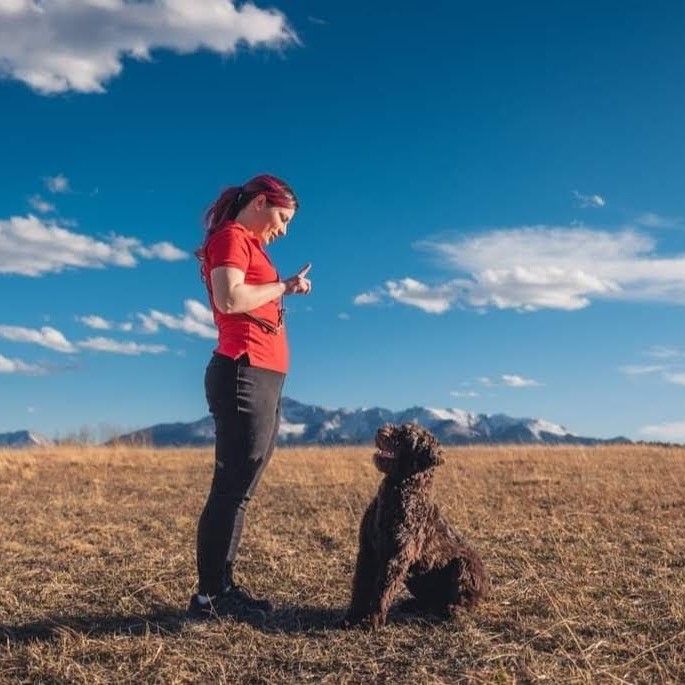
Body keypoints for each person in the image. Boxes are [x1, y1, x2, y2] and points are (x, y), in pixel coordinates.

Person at [188, 174, 312, 620]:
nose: (283, 230)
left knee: (241, 489)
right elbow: (230, 298)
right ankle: (209, 598)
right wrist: (282, 287)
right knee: (231, 489)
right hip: (243, 372)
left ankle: (221, 590)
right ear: (261, 202)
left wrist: (287, 286)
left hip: (263, 376)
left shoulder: (252, 246)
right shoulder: (231, 237)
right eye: (282, 218)